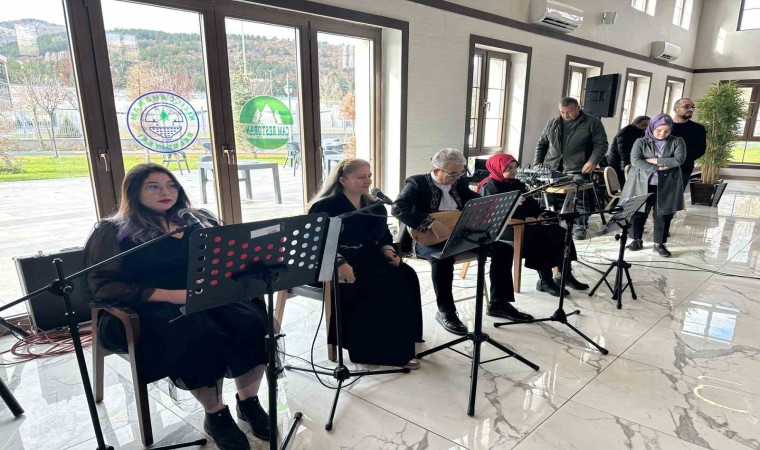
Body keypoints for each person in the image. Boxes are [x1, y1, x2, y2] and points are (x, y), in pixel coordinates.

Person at [84, 164, 270, 450]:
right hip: (148, 306)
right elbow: (102, 286)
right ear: (134, 192)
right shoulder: (114, 230)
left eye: (171, 185)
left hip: (203, 296)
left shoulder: (197, 219)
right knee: (197, 333)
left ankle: (249, 403)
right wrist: (173, 296)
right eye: (153, 186)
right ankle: (216, 414)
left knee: (252, 323)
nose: (165, 192)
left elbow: (225, 258)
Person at [392, 148, 533, 336]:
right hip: (427, 238)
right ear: (437, 170)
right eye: (452, 174)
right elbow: (398, 208)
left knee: (503, 249)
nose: (457, 178)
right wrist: (431, 223)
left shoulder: (459, 182)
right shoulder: (417, 183)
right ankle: (446, 311)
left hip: (460, 233)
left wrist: (503, 203)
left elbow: (474, 200)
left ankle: (498, 303)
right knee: (442, 258)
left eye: (460, 173)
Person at [308, 159, 422, 368]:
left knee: (405, 274)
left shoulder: (373, 204)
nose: (368, 181)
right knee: (372, 284)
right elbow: (317, 243)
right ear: (342, 180)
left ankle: (402, 337)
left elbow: (384, 235)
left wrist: (387, 250)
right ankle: (376, 350)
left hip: (367, 256)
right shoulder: (324, 206)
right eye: (361, 177)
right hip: (332, 261)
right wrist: (339, 262)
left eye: (369, 176)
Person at [477, 153, 589, 296]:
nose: (513, 171)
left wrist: (537, 215)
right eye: (508, 168)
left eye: (515, 167)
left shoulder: (516, 183)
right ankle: (545, 280)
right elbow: (495, 215)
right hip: (505, 227)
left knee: (561, 232)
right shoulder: (489, 187)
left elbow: (531, 203)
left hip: (527, 222)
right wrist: (525, 219)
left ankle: (565, 274)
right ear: (497, 168)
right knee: (541, 235)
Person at [534, 97, 609, 240]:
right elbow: (542, 143)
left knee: (580, 197)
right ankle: (551, 223)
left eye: (569, 112)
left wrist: (593, 161)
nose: (565, 115)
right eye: (562, 112)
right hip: (553, 166)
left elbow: (601, 144)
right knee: (549, 196)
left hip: (578, 167)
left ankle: (580, 225)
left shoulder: (592, 122)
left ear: (578, 108)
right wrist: (537, 162)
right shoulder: (553, 123)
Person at [621, 114, 686, 257]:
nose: (662, 134)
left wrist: (653, 160)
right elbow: (635, 161)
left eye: (666, 131)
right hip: (641, 183)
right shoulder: (641, 141)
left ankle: (659, 244)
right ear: (652, 128)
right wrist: (658, 167)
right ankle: (636, 240)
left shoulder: (677, 141)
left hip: (667, 184)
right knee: (637, 212)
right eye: (659, 130)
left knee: (663, 214)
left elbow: (679, 160)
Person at [670, 98, 707, 190]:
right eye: (686, 107)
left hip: (683, 168)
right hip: (660, 166)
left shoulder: (698, 128)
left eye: (692, 107)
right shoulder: (664, 126)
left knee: (675, 195)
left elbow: (700, 149)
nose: (690, 110)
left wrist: (683, 159)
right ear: (676, 109)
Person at [606, 116, 650, 186]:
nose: (646, 127)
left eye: (648, 125)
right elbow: (624, 151)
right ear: (637, 123)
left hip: (627, 162)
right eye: (644, 125)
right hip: (618, 163)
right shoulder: (626, 132)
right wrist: (628, 166)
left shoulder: (640, 132)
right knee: (622, 184)